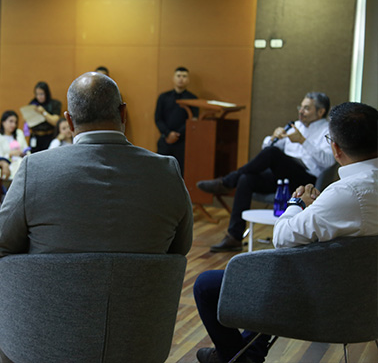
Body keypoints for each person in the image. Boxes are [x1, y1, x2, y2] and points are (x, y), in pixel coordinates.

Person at [193, 102, 378, 363]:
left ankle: (235, 357)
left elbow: (282, 238)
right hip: (367, 299)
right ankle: (249, 351)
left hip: (326, 300)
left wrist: (297, 204)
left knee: (205, 284)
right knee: (279, 270)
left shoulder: (345, 193)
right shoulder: (351, 191)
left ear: (335, 148)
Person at [0, 71, 193, 261]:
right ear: (123, 114)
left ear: (69, 121)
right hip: (145, 298)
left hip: (53, 298)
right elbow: (182, 246)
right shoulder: (167, 170)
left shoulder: (35, 168)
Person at [197, 92, 336, 252]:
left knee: (272, 154)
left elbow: (328, 161)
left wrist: (303, 141)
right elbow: (267, 152)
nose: (301, 111)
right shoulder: (294, 125)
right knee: (246, 178)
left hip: (305, 180)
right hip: (282, 176)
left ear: (320, 111)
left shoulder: (327, 130)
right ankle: (234, 237)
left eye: (307, 108)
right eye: (301, 107)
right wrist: (272, 138)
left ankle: (227, 181)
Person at [154, 67, 198, 176]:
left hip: (183, 142)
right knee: (160, 172)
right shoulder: (163, 97)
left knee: (179, 174)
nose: (181, 79)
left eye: (184, 76)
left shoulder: (193, 99)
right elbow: (158, 118)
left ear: (188, 80)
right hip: (165, 139)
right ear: (173, 78)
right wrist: (168, 133)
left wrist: (177, 134)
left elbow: (193, 121)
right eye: (178, 76)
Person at [27, 81, 62, 153]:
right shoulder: (33, 103)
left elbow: (55, 122)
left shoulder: (54, 104)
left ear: (46, 93)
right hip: (35, 136)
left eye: (41, 94)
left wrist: (43, 112)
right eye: (37, 94)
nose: (39, 97)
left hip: (48, 136)